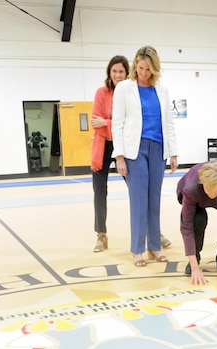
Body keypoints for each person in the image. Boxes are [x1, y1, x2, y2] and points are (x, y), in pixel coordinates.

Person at [112, 45, 178, 267]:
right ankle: (137, 250)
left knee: (154, 201)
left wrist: (174, 152)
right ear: (135, 66)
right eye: (140, 67)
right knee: (139, 201)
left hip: (158, 149)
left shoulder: (162, 89)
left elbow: (168, 121)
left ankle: (155, 247)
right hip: (134, 150)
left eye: (148, 69)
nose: (143, 72)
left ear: (154, 68)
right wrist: (119, 156)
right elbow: (117, 123)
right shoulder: (124, 88)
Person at [177, 162, 217, 286]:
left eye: (216, 191)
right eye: (210, 191)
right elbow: (186, 228)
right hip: (196, 196)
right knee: (199, 220)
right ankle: (195, 257)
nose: (212, 195)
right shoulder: (191, 189)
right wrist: (195, 268)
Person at [89, 54, 128, 253]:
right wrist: (110, 126)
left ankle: (151, 231)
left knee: (137, 189)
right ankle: (101, 235)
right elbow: (96, 124)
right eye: (114, 71)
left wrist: (107, 123)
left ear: (127, 73)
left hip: (125, 146)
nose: (118, 75)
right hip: (103, 146)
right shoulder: (101, 92)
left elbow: (130, 125)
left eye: (121, 71)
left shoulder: (131, 93)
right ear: (109, 72)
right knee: (99, 192)